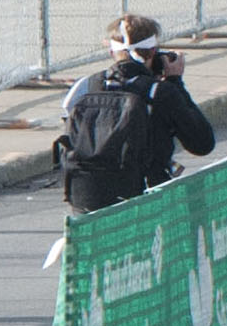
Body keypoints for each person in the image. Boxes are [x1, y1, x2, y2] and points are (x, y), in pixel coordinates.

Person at [56, 11, 218, 213]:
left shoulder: (85, 87)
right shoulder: (159, 92)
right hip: (144, 202)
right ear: (152, 52)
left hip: (86, 201)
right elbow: (202, 144)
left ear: (112, 53)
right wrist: (176, 82)